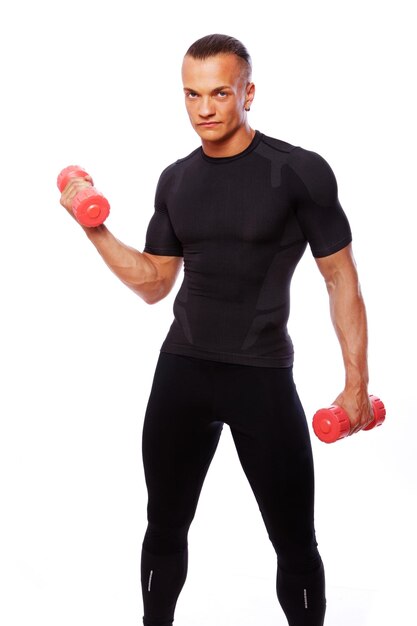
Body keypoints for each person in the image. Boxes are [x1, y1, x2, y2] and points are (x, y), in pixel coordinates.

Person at [60, 33, 373, 626]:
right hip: (182, 371)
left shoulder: (297, 172)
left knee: (296, 543)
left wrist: (356, 382)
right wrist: (93, 228)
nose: (204, 108)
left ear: (248, 92)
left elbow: (341, 280)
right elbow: (155, 284)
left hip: (261, 377)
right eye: (192, 94)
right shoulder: (175, 179)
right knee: (164, 524)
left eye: (220, 93)